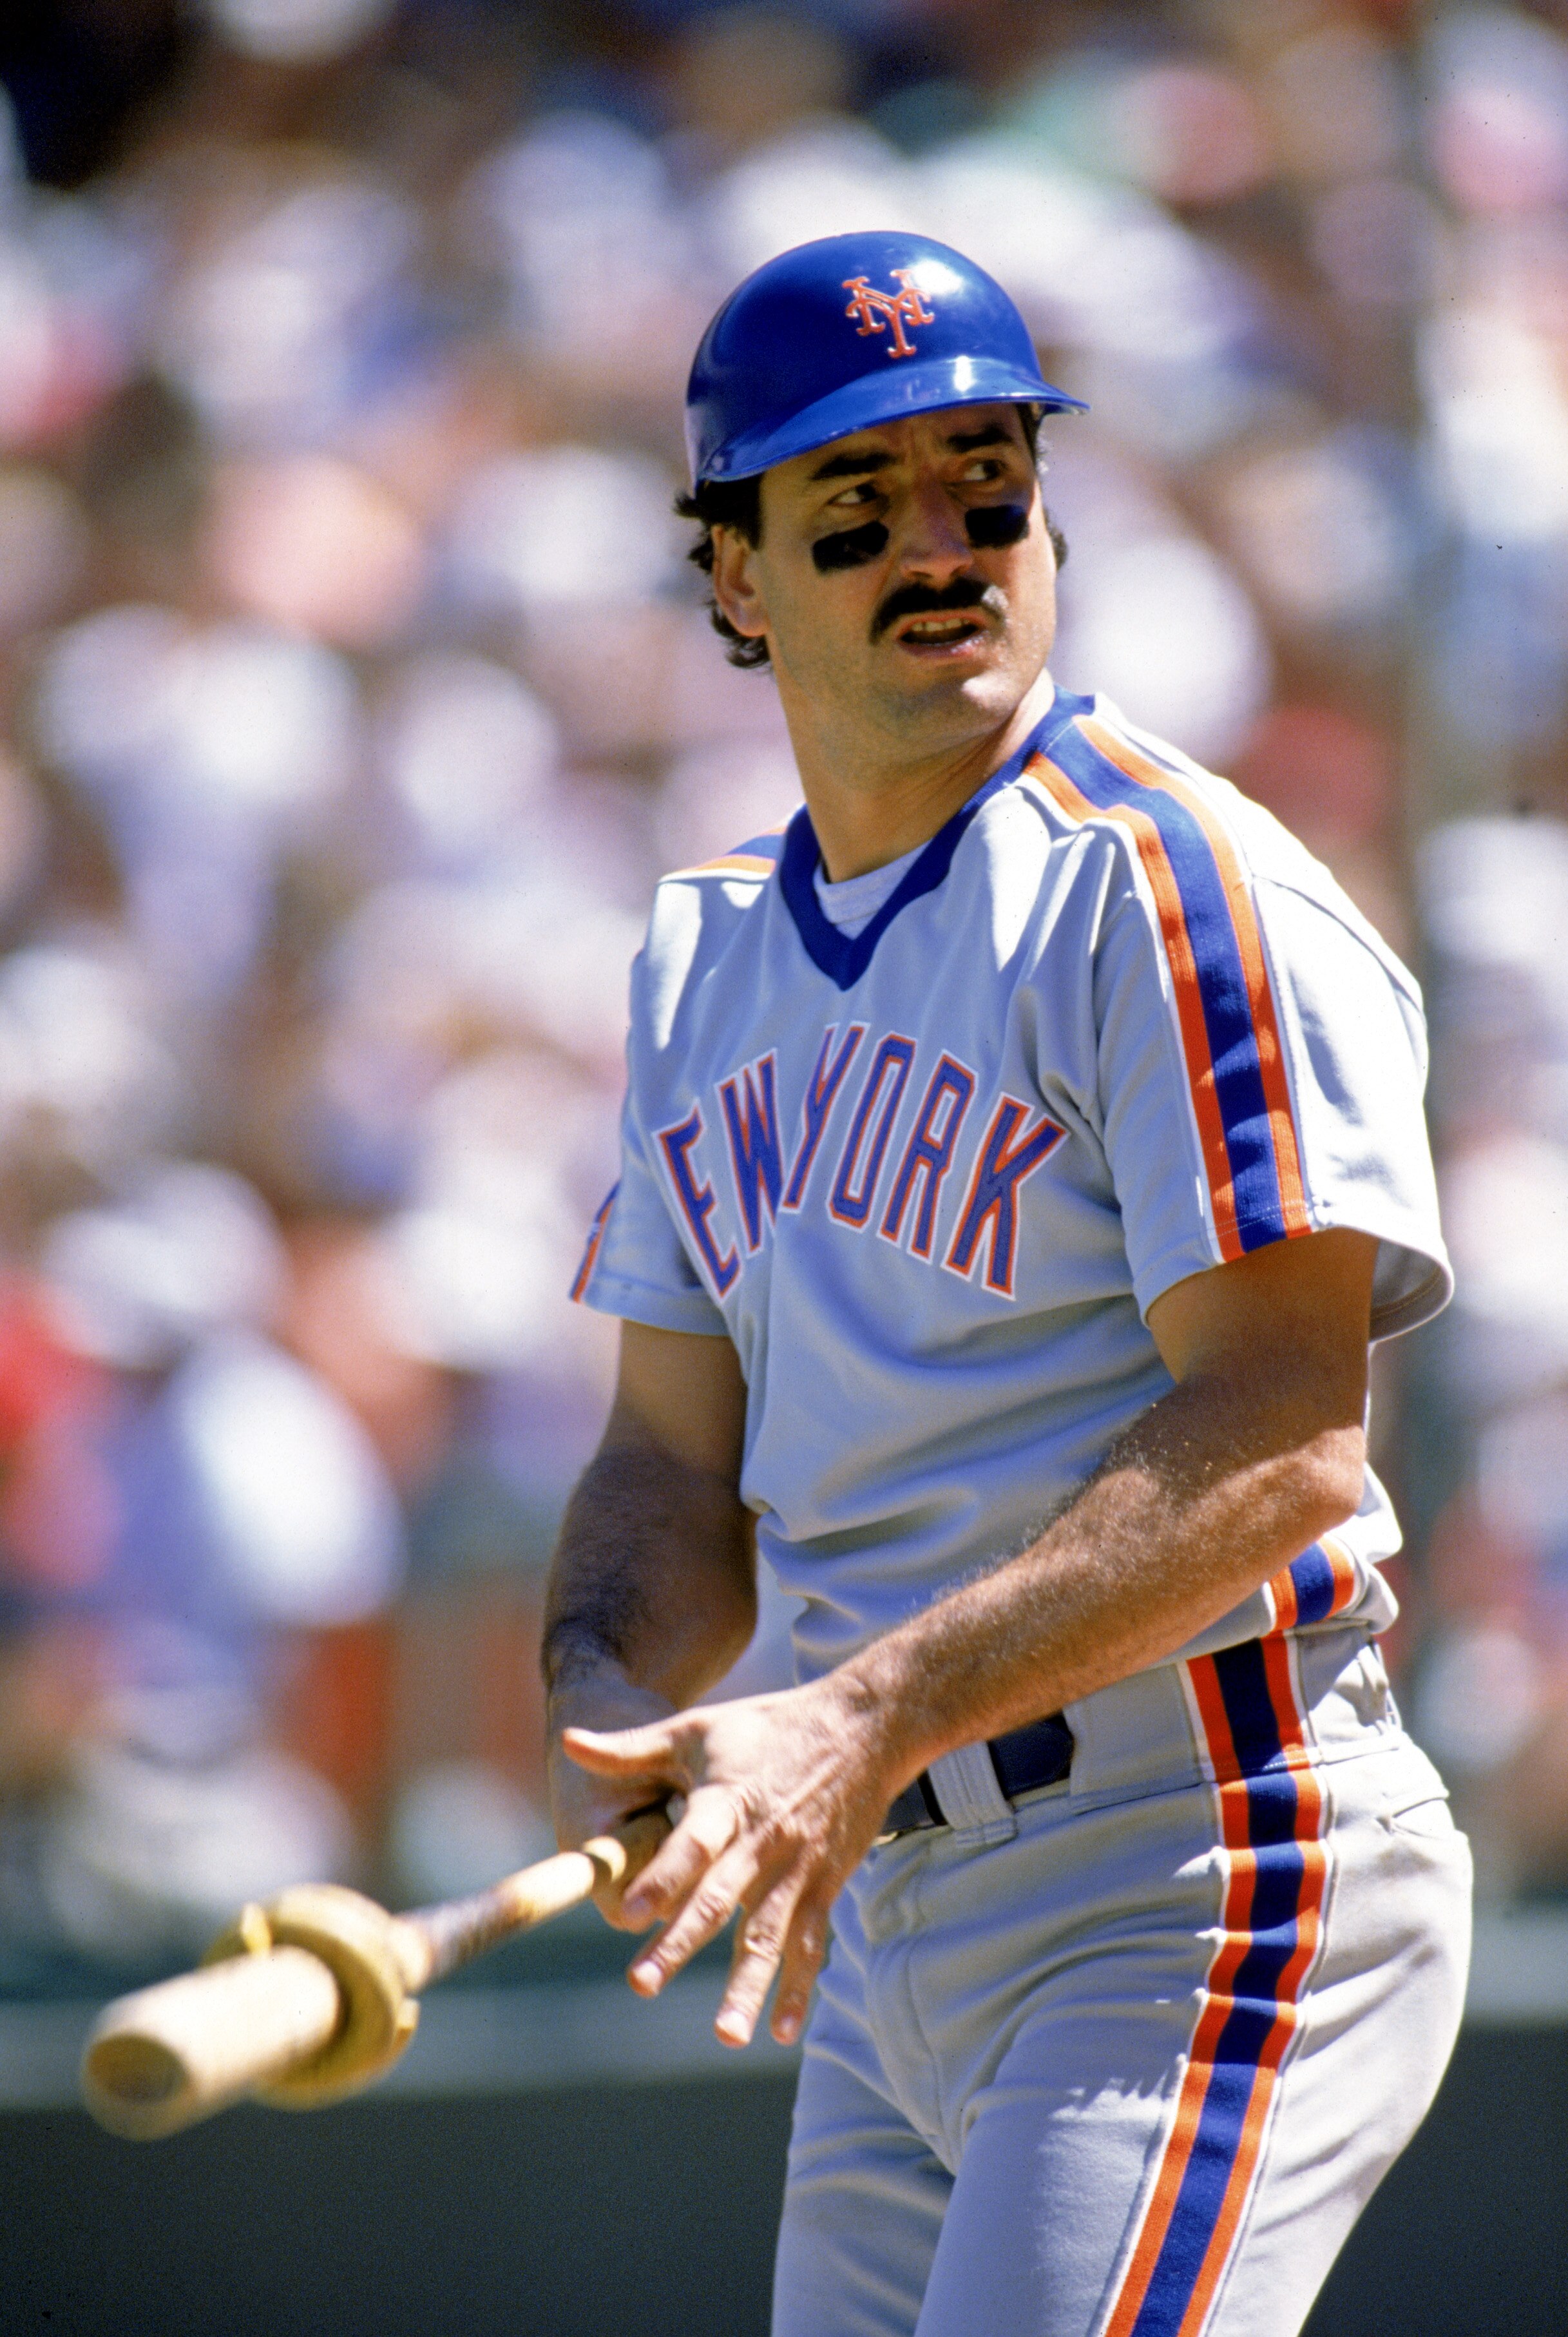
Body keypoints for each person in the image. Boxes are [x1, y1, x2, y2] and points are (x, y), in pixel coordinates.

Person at [543, 232, 1471, 2337]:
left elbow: (1279, 1442)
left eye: (988, 481)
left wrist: (854, 1714)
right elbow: (664, 1465)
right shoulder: (707, 959)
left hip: (1201, 1862)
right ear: (736, 580)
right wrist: (617, 1711)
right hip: (890, 1915)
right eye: (858, 508)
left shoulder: (1164, 882)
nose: (944, 544)